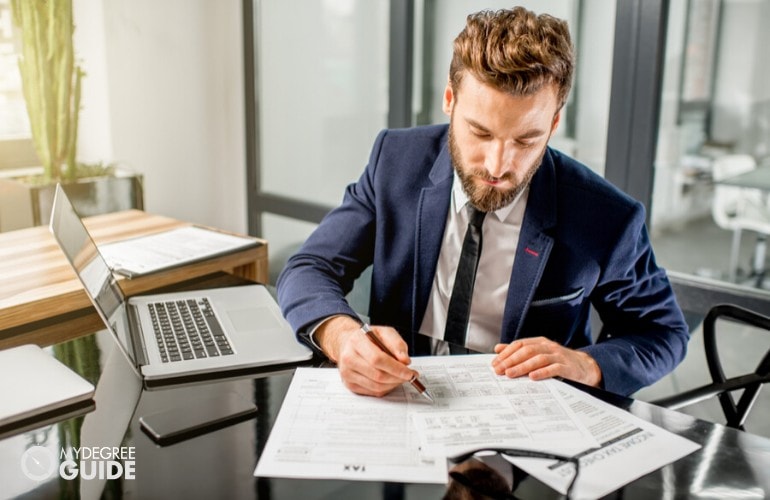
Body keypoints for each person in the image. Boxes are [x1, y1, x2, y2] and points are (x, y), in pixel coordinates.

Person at [277, 6, 689, 398]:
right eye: (480, 133)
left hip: (529, 423)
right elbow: (310, 266)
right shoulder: (395, 161)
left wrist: (585, 365)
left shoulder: (606, 216)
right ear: (450, 101)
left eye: (526, 140)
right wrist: (344, 336)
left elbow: (664, 333)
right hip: (399, 400)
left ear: (554, 123)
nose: (498, 165)